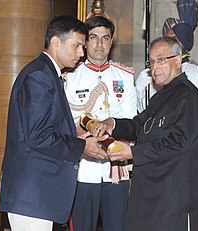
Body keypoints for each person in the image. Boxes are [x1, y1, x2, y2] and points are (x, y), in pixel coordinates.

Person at [0, 15, 109, 231]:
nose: (81, 53)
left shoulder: (48, 73)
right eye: (77, 45)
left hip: (39, 195)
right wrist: (82, 147)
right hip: (33, 196)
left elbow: (44, 127)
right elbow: (38, 136)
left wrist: (74, 134)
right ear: (56, 42)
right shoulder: (40, 76)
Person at [95, 36, 198, 231]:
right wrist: (112, 123)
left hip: (175, 197)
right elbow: (139, 126)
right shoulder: (160, 97)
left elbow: (179, 142)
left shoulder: (188, 96)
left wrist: (133, 153)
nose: (155, 67)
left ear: (178, 59)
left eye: (161, 60)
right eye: (151, 61)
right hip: (153, 194)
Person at [64, 16, 137, 231]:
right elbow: (64, 123)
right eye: (93, 38)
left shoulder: (124, 76)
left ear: (111, 41)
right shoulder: (70, 77)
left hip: (116, 169)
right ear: (85, 42)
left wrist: (110, 126)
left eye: (105, 38)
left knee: (117, 226)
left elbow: (133, 121)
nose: (99, 44)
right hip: (83, 168)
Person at [136, 18, 198, 180]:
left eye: (175, 39)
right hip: (152, 155)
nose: (156, 67)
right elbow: (141, 117)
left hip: (186, 157)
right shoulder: (146, 76)